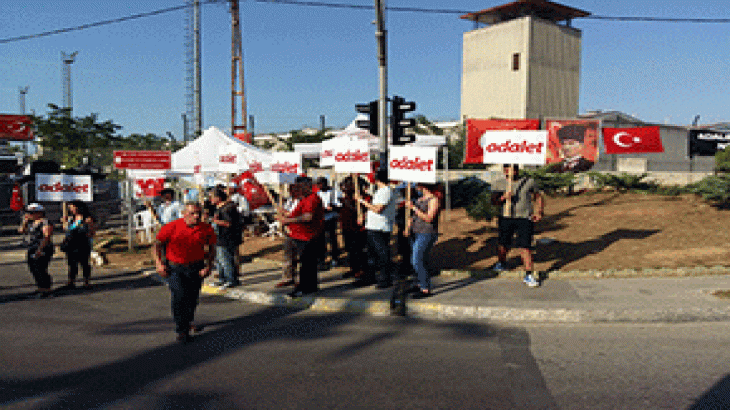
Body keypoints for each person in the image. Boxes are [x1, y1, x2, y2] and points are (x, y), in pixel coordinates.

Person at [153, 202, 216, 343]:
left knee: (192, 298)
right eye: (192, 213)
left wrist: (209, 266)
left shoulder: (206, 229)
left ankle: (188, 321)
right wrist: (159, 264)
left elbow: (211, 248)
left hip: (196, 267)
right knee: (180, 296)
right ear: (184, 213)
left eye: (199, 213)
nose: (196, 216)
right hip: (175, 268)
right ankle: (182, 329)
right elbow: (157, 244)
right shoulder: (171, 227)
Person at [491, 164, 545, 287]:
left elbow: (538, 196)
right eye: (507, 170)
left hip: (524, 218)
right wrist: (503, 197)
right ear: (504, 171)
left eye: (512, 170)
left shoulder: (528, 181)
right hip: (506, 217)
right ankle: (502, 263)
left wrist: (539, 212)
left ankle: (529, 274)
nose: (510, 173)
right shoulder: (498, 183)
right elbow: (493, 201)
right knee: (503, 244)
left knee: (525, 246)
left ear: (516, 170)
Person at [276, 176, 324, 297]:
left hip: (307, 236)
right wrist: (286, 215)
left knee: (306, 264)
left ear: (306, 186)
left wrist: (288, 220)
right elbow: (299, 214)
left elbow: (307, 217)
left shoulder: (312, 199)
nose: (297, 189)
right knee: (307, 263)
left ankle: (305, 288)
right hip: (300, 235)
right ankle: (310, 287)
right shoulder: (304, 199)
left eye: (299, 187)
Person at [356, 169, 398, 288]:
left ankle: (386, 278)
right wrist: (364, 216)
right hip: (373, 226)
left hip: (380, 227)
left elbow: (378, 209)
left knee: (382, 253)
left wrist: (362, 201)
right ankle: (371, 277)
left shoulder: (386, 191)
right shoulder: (380, 191)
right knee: (372, 254)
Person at [405, 183, 442, 298]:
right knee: (418, 260)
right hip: (416, 232)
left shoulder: (434, 200)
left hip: (426, 233)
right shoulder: (419, 199)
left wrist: (414, 208)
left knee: (417, 260)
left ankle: (425, 288)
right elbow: (413, 216)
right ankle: (420, 283)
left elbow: (429, 218)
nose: (416, 186)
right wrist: (408, 227)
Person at [19, 203, 55, 298]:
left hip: (42, 247)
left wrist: (40, 249)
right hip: (32, 247)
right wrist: (24, 222)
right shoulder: (31, 223)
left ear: (39, 213)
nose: (29, 215)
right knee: (33, 268)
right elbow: (22, 231)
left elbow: (46, 237)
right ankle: (40, 287)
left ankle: (46, 289)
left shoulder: (45, 222)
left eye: (31, 213)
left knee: (40, 268)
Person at [59, 201, 96, 290]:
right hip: (71, 244)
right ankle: (71, 281)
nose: (71, 209)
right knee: (72, 263)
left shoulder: (87, 219)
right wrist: (64, 222)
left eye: (73, 207)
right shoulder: (71, 219)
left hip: (82, 243)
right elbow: (66, 230)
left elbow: (92, 232)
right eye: (70, 208)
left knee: (84, 263)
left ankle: (86, 281)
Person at [210, 187, 242, 288]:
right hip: (219, 237)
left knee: (225, 260)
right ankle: (222, 279)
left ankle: (231, 280)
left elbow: (228, 223)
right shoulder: (220, 208)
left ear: (218, 198)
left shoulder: (228, 208)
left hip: (227, 238)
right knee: (219, 260)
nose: (210, 199)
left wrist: (215, 221)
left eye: (212, 197)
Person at [338, 176, 369, 279]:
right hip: (347, 228)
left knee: (360, 250)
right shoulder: (345, 198)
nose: (344, 187)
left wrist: (356, 203)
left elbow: (366, 211)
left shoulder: (365, 198)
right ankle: (354, 268)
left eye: (347, 185)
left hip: (359, 229)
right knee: (350, 250)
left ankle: (362, 270)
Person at [277, 182, 301, 288]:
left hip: (299, 231)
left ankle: (301, 279)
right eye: (290, 190)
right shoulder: (289, 201)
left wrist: (286, 214)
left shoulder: (301, 201)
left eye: (293, 190)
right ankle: (288, 278)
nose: (290, 192)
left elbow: (296, 214)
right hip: (289, 231)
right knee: (288, 256)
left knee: (300, 257)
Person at [316, 177, 341, 269]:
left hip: (331, 218)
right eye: (317, 184)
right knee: (321, 240)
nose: (319, 186)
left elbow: (339, 205)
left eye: (320, 184)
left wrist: (333, 207)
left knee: (332, 239)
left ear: (325, 183)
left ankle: (335, 258)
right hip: (321, 219)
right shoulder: (318, 194)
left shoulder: (333, 192)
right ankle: (322, 259)